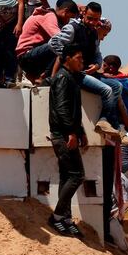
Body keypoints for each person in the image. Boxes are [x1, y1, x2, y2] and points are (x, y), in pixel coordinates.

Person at [49, 2, 128, 140]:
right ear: (83, 14)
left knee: (118, 86)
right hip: (75, 74)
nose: (92, 22)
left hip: (89, 72)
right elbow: (53, 43)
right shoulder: (72, 28)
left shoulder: (94, 32)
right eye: (90, 18)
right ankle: (115, 127)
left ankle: (104, 121)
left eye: (96, 19)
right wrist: (69, 60)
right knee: (107, 90)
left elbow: (97, 54)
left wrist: (96, 65)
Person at [47, 44, 87, 237]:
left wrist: (81, 132)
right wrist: (71, 133)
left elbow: (73, 110)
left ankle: (66, 218)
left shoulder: (70, 78)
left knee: (67, 176)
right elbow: (62, 109)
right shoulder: (63, 78)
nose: (82, 61)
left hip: (67, 133)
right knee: (76, 175)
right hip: (62, 135)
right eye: (78, 58)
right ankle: (56, 217)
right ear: (67, 58)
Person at [16, 0, 79, 83]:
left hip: (33, 54)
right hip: (27, 56)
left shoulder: (52, 17)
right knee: (60, 47)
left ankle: (45, 77)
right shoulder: (49, 16)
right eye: (69, 18)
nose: (68, 21)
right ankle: (44, 77)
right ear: (66, 11)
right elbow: (58, 39)